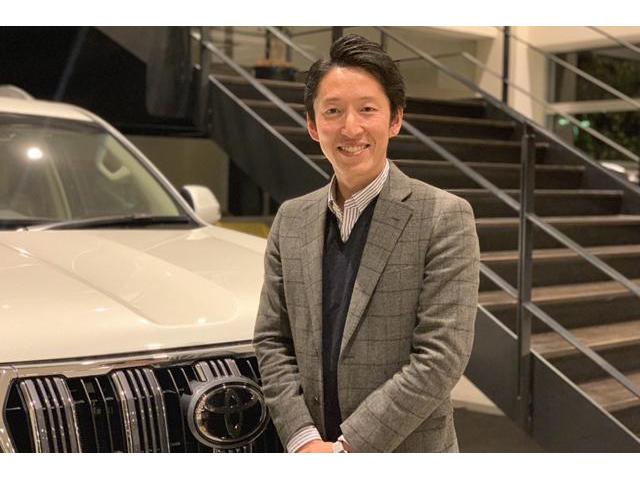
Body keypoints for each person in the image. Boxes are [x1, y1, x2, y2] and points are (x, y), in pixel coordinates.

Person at [253, 34, 480, 453]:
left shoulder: (444, 216)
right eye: (333, 111)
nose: (351, 127)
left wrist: (347, 450)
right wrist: (303, 439)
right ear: (312, 124)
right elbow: (272, 341)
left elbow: (441, 356)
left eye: (367, 109)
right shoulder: (290, 219)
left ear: (395, 120)